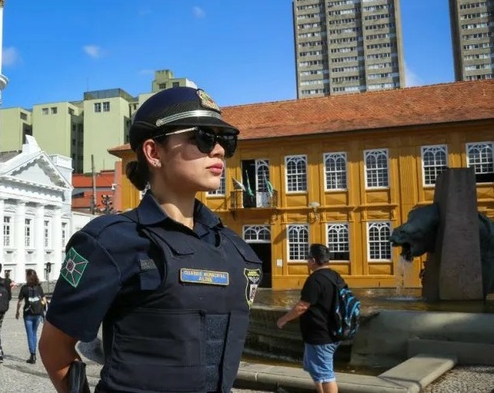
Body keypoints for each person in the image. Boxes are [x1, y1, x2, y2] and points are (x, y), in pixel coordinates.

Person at [39, 86, 264, 393]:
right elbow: (55, 347)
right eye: (203, 137)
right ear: (153, 152)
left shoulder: (237, 251)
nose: (219, 150)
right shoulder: (109, 241)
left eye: (225, 140)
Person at [276, 243, 344, 393]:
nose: (306, 262)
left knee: (326, 375)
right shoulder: (336, 276)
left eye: (307, 258)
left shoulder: (315, 279)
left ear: (313, 260)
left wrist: (284, 319)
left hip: (321, 334)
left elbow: (302, 306)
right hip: (330, 330)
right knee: (315, 370)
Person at [15, 269, 47, 364]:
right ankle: (34, 353)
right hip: (37, 314)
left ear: (28, 277)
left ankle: (32, 355)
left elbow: (20, 302)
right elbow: (44, 300)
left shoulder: (24, 288)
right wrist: (39, 304)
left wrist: (17, 312)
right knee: (34, 333)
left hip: (28, 314)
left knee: (30, 334)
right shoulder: (39, 287)